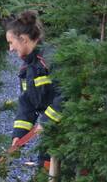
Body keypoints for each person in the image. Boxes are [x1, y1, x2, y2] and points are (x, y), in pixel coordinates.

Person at [4, 10, 64, 169]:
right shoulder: (27, 69)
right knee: (45, 170)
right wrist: (19, 135)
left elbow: (67, 93)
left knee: (69, 175)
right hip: (50, 134)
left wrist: (47, 120)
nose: (10, 49)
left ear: (23, 39)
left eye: (11, 43)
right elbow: (27, 103)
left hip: (70, 133)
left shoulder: (51, 59)